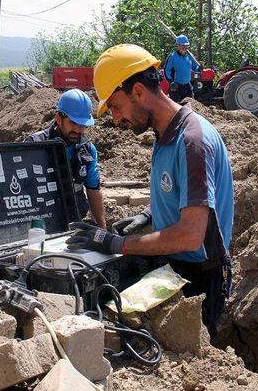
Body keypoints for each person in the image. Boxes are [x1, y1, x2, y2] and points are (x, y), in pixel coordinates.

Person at [66, 44, 233, 338]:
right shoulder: (164, 134)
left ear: (139, 92)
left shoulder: (192, 141)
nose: (116, 119)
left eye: (116, 106)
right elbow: (179, 195)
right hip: (174, 265)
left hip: (200, 279)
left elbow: (191, 234)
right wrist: (145, 215)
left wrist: (117, 244)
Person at [24, 89, 106, 228]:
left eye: (83, 125)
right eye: (73, 123)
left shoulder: (87, 150)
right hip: (41, 225)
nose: (79, 130)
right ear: (58, 118)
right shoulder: (34, 146)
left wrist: (103, 229)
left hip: (75, 220)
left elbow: (93, 190)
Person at [164, 34, 202, 103]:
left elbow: (195, 68)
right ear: (178, 45)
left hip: (187, 86)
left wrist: (199, 68)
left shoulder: (190, 56)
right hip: (176, 87)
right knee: (177, 108)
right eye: (182, 45)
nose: (184, 47)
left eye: (186, 45)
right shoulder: (172, 56)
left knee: (191, 105)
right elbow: (167, 70)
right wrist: (171, 82)